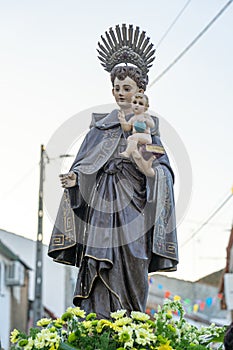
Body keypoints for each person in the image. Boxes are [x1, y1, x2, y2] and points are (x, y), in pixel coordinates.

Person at [48, 24, 178, 319]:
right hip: (102, 208)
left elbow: (164, 172)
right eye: (117, 89)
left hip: (134, 209)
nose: (121, 94)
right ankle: (98, 321)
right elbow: (85, 163)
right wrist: (76, 180)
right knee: (97, 261)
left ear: (140, 92)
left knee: (133, 258)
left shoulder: (148, 129)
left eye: (127, 89)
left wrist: (150, 173)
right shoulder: (100, 127)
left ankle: (131, 324)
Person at [119, 92, 155, 176]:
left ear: (146, 107)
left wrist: (146, 121)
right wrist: (122, 120)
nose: (137, 105)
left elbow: (152, 125)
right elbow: (127, 128)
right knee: (129, 139)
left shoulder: (145, 115)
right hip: (137, 138)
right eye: (135, 102)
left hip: (146, 137)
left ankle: (127, 153)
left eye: (141, 103)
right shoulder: (133, 118)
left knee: (133, 137)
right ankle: (136, 153)